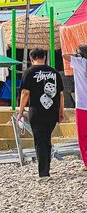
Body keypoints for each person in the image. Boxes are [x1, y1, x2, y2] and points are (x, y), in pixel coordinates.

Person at [17, 48, 65, 180]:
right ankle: (46, 168)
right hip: (52, 112)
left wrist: (20, 112)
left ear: (32, 59)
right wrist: (61, 111)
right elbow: (61, 95)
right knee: (46, 140)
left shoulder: (29, 72)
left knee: (40, 141)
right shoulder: (54, 72)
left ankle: (44, 173)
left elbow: (25, 93)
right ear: (44, 58)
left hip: (36, 111)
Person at [68, 44, 87, 171]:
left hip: (82, 104)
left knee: (83, 135)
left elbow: (65, 56)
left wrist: (75, 56)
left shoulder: (79, 62)